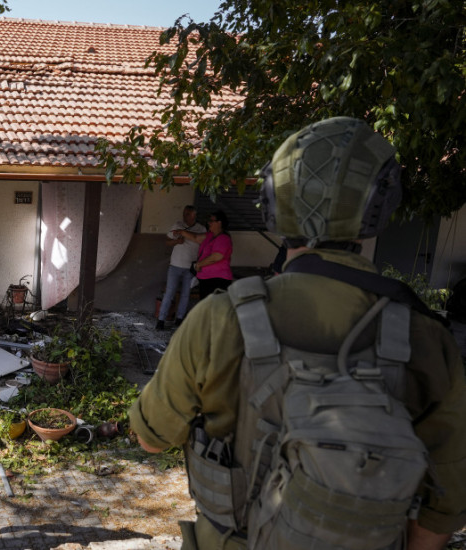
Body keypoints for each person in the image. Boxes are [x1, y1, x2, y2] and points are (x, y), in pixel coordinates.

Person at [128, 117, 466, 550]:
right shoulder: (425, 338)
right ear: (380, 206)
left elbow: (150, 438)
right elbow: (445, 506)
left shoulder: (219, 318)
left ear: (273, 203)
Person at [156, 205, 206, 330]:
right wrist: (176, 242)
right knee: (169, 293)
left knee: (185, 294)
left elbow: (203, 244)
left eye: (188, 214)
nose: (185, 216)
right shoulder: (177, 225)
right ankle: (161, 319)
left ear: (194, 215)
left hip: (190, 266)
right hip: (175, 265)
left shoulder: (201, 229)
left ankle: (179, 319)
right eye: (184, 213)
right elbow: (167, 241)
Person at [178, 209, 233, 296]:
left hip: (217, 279)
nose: (209, 223)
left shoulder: (223, 238)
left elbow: (217, 256)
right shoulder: (209, 235)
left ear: (219, 223)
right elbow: (196, 237)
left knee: (214, 307)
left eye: (211, 221)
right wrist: (181, 232)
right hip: (205, 278)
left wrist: (199, 264)